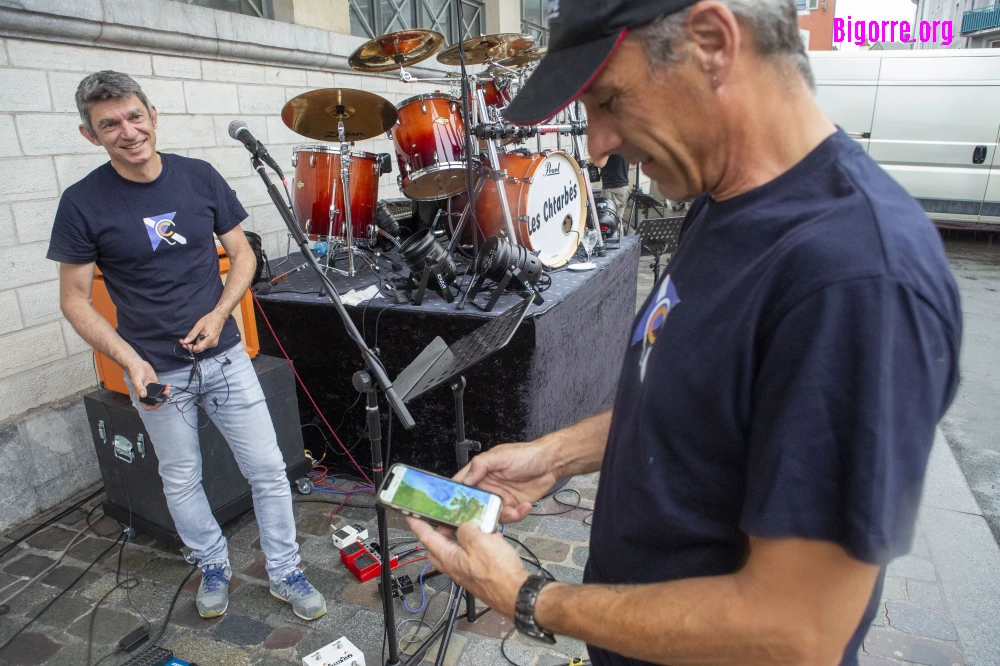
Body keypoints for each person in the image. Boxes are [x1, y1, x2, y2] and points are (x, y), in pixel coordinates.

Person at [405, 2, 962, 665]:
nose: (595, 144)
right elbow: (696, 401)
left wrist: (529, 597)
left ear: (711, 42)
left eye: (608, 99)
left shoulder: (857, 278)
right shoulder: (722, 199)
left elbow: (799, 631)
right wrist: (553, 456)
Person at [48, 71, 326, 622]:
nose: (127, 131)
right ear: (90, 135)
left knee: (268, 470)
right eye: (110, 125)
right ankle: (212, 565)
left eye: (134, 116)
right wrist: (129, 361)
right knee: (181, 477)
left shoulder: (199, 177)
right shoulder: (82, 202)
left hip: (224, 355)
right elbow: (75, 300)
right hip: (156, 372)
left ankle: (285, 569)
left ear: (153, 113)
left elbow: (243, 254)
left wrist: (220, 312)